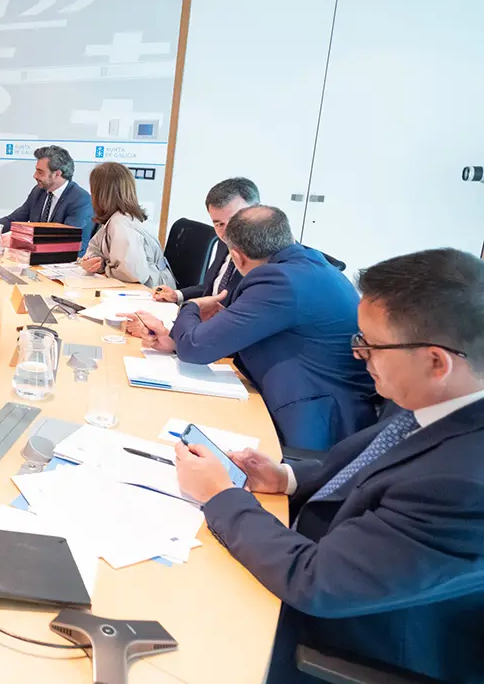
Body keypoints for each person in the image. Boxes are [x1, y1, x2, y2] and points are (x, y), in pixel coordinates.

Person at [174, 248, 484, 683]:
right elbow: (373, 467)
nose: (358, 355)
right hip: (311, 555)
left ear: (436, 361)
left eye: (370, 345)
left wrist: (219, 495)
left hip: (336, 639)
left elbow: (314, 582)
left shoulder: (464, 485)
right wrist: (286, 478)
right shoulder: (440, 396)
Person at [138, 206, 378, 451]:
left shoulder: (279, 281)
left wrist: (191, 307)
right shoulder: (310, 264)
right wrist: (176, 341)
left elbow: (195, 348)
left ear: (237, 257)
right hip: (329, 404)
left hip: (316, 424)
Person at [0, 145, 93, 255]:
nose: (34, 176)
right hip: (36, 261)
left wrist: (19, 241)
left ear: (57, 174)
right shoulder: (39, 192)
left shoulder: (80, 200)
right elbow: (13, 220)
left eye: (40, 172)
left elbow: (64, 242)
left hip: (66, 266)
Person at [152, 176, 257, 305]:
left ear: (257, 210)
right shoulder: (224, 242)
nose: (228, 231)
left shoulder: (265, 259)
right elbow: (210, 288)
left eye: (234, 220)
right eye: (219, 224)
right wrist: (177, 295)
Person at [77, 162, 176, 288]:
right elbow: (94, 248)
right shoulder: (116, 218)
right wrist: (96, 261)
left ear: (101, 194)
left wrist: (104, 267)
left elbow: (133, 274)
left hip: (150, 289)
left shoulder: (121, 223)